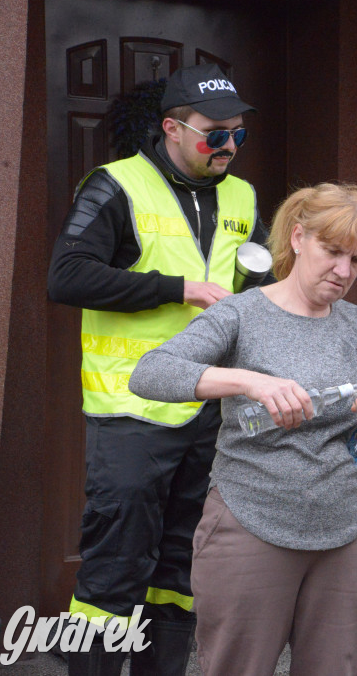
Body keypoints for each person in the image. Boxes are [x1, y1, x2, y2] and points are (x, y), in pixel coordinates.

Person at [129, 182, 357, 676]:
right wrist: (248, 380)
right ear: (298, 237)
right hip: (250, 525)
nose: (343, 272)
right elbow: (150, 372)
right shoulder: (241, 313)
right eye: (333, 251)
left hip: (346, 533)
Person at [46, 63, 265, 676]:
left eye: (238, 135)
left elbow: (263, 286)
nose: (228, 146)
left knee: (182, 571)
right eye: (214, 134)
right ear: (172, 128)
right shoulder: (115, 185)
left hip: (207, 411)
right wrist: (179, 288)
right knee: (115, 570)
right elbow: (66, 277)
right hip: (130, 413)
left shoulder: (243, 197)